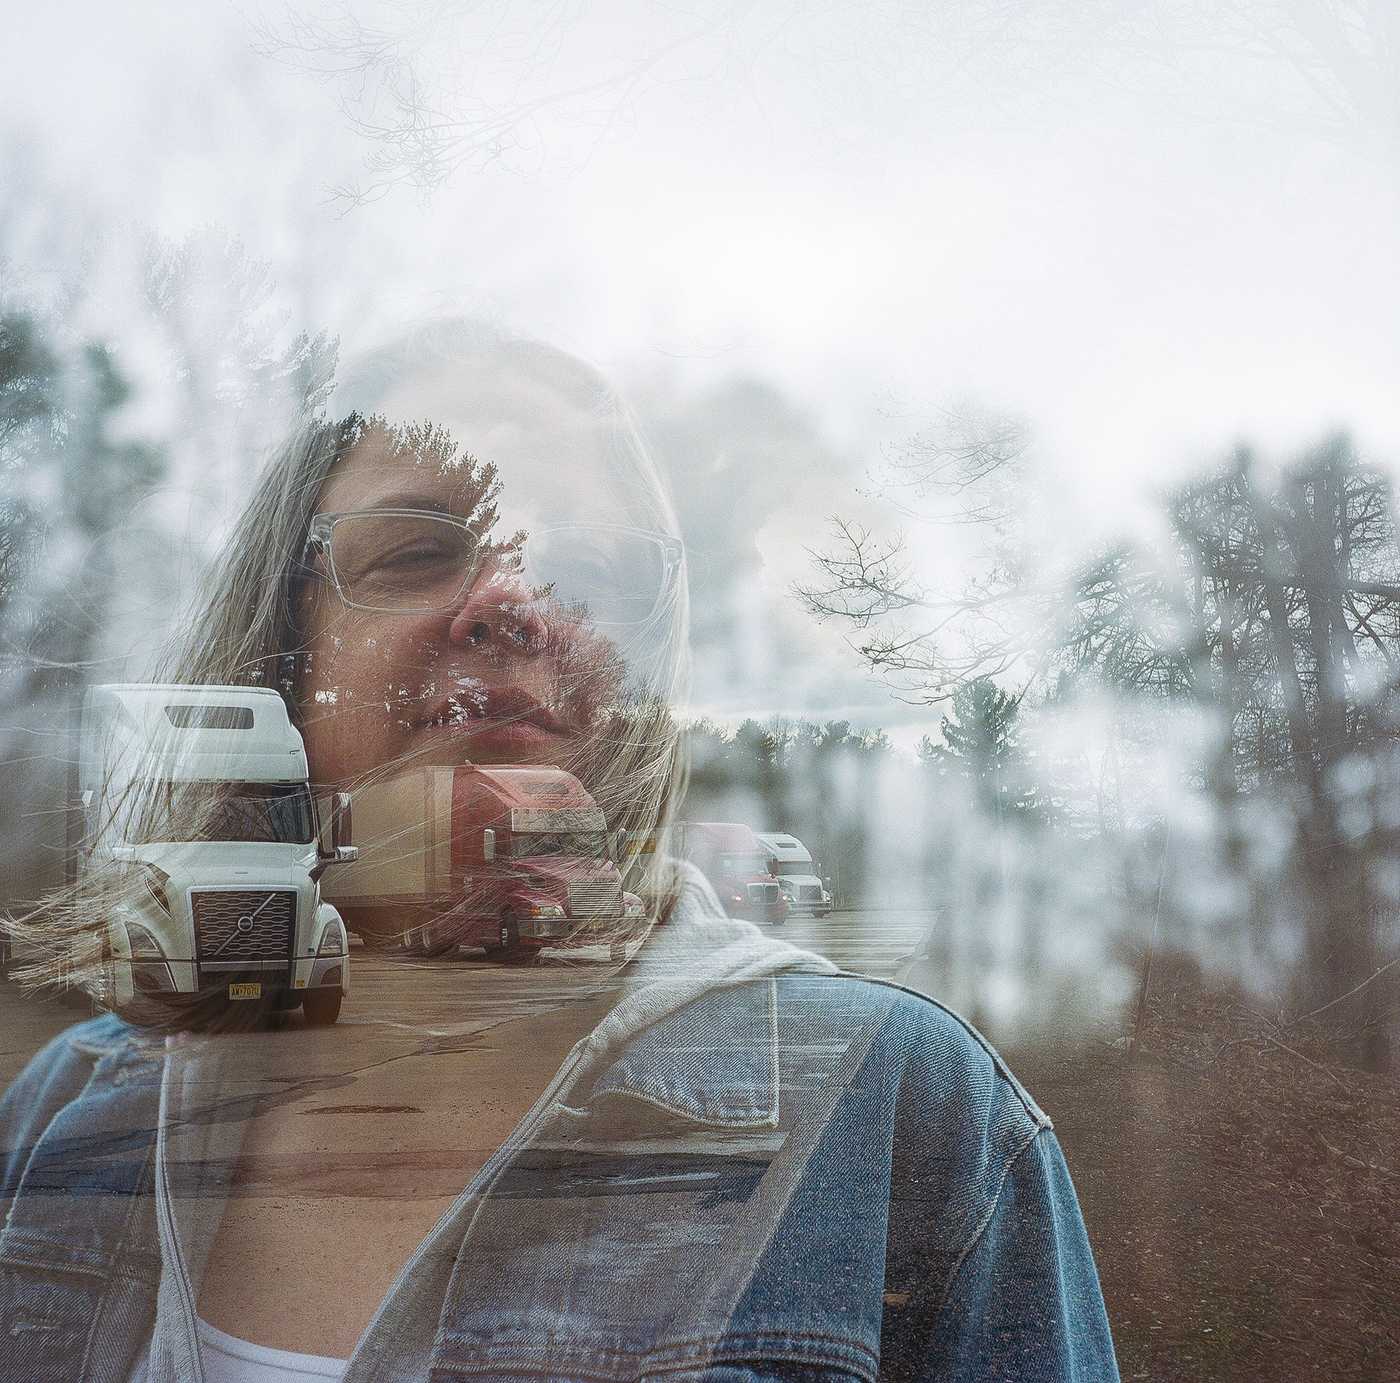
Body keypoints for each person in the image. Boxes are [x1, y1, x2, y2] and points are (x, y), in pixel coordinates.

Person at [0, 322, 1120, 1382]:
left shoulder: (899, 1111)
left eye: (586, 567)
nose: (511, 599)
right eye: (415, 552)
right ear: (284, 644)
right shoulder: (68, 1118)